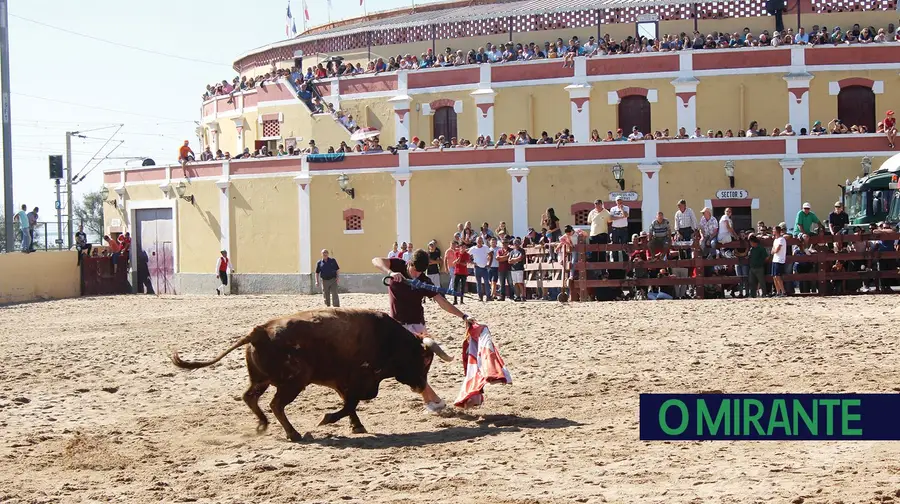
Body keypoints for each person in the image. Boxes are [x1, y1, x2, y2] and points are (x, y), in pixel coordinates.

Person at [372, 250, 474, 414]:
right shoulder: (397, 264)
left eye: (420, 272)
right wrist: (391, 273)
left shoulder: (424, 281)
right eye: (415, 270)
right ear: (409, 263)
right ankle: (433, 402)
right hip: (397, 327)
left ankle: (435, 402)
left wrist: (463, 316)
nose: (417, 274)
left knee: (410, 369)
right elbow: (376, 259)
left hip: (417, 327)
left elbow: (442, 302)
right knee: (408, 369)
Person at [468, 236, 494, 301]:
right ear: (476, 241)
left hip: (484, 267)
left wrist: (489, 264)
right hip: (477, 268)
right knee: (478, 283)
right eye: (478, 241)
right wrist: (471, 262)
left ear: (482, 241)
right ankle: (480, 296)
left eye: (480, 240)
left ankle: (488, 296)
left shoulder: (485, 247)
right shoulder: (473, 248)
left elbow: (491, 255)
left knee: (486, 282)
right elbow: (467, 255)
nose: (479, 242)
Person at [771, 225, 787, 297]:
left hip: (780, 260)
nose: (772, 231)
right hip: (775, 259)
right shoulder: (775, 240)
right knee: (774, 276)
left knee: (778, 276)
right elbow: (773, 250)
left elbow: (776, 250)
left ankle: (783, 291)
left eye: (773, 230)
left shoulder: (781, 239)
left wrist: (774, 250)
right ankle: (778, 292)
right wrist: (774, 250)